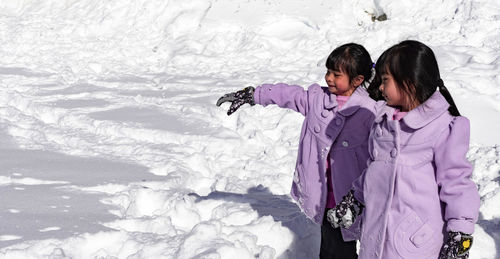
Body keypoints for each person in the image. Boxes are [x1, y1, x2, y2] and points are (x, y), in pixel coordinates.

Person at [216, 43, 376, 259]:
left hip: (352, 196)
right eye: (328, 71)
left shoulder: (371, 111)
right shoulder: (317, 99)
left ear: (357, 80)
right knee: (331, 245)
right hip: (324, 192)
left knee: (346, 247)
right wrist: (255, 94)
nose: (328, 78)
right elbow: (287, 94)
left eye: (336, 75)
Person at [328, 40, 480, 259]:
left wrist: (460, 233)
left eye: (386, 80)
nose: (380, 87)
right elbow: (375, 168)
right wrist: (356, 197)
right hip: (376, 238)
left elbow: (457, 183)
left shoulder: (442, 128)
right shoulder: (384, 122)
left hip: (415, 243)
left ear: (409, 82)